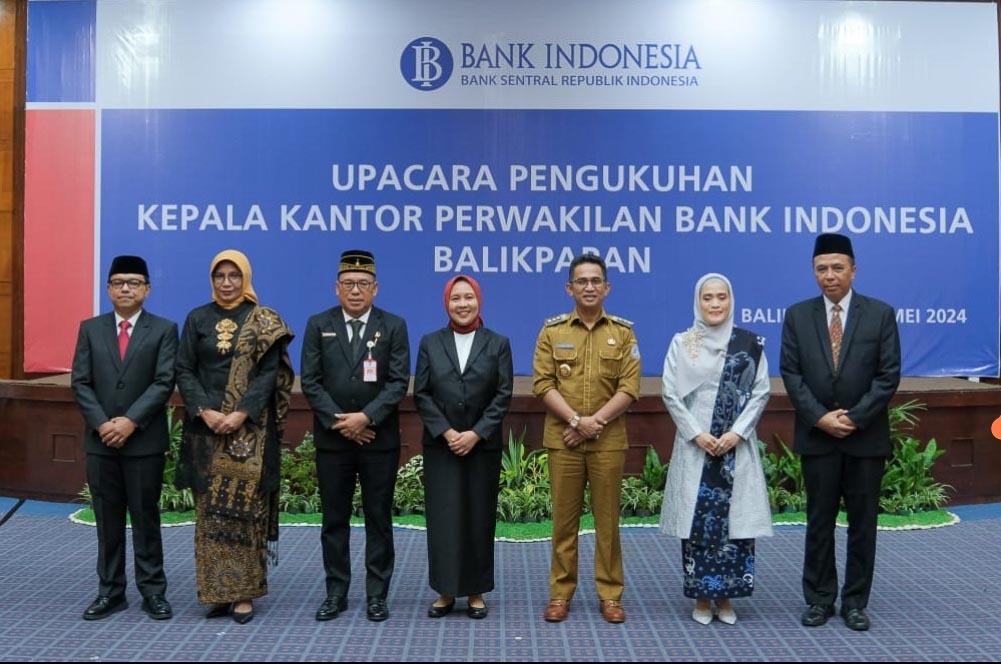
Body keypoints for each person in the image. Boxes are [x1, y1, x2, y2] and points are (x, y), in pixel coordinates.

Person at [780, 233, 901, 632]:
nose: (829, 275)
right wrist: (820, 418)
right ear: (813, 271)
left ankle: (855, 602)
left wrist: (853, 418)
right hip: (818, 437)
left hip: (865, 438)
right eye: (821, 269)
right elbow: (791, 374)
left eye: (837, 268)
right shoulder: (798, 315)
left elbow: (888, 375)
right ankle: (819, 599)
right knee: (819, 522)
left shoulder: (880, 314)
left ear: (853, 270)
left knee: (863, 524)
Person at [174, 249, 294, 625]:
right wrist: (205, 411)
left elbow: (269, 374)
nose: (227, 283)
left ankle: (244, 594)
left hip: (249, 434)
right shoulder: (197, 318)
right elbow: (184, 368)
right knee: (210, 514)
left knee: (245, 514)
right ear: (212, 280)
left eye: (234, 276)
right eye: (220, 276)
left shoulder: (263, 319)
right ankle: (217, 592)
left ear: (246, 278)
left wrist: (241, 413)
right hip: (205, 430)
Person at [300, 250, 410, 623]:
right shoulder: (319, 324)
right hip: (333, 442)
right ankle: (336, 593)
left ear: (375, 288)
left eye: (363, 283)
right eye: (348, 283)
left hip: (378, 440)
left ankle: (377, 595)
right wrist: (342, 423)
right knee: (334, 520)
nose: (356, 290)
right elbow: (311, 381)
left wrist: (365, 418)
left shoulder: (393, 326)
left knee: (378, 518)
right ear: (337, 288)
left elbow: (397, 382)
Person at [532, 253, 640, 624]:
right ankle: (560, 594)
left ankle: (610, 595)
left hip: (608, 442)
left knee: (608, 523)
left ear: (607, 287)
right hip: (563, 440)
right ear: (569, 288)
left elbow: (629, 387)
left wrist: (595, 423)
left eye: (596, 281)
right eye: (582, 281)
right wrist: (578, 421)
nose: (589, 287)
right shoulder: (552, 331)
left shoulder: (623, 333)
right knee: (564, 523)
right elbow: (542, 384)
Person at [659, 273, 772, 626]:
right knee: (699, 522)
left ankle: (726, 597)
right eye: (707, 297)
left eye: (721, 297)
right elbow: (670, 393)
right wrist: (696, 434)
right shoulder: (683, 342)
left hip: (736, 447)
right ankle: (701, 597)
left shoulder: (750, 344)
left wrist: (738, 432)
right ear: (698, 301)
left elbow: (761, 392)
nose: (715, 304)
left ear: (731, 300)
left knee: (735, 524)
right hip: (697, 447)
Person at [71, 255, 178, 621]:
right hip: (100, 442)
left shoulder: (163, 329)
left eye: (134, 283)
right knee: (108, 521)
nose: (126, 289)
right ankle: (110, 591)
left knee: (146, 519)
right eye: (119, 283)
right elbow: (80, 382)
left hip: (143, 442)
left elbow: (164, 382)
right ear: (108, 289)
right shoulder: (90, 329)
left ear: (147, 289)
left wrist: (130, 421)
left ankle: (153, 591)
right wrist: (103, 424)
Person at [414, 275, 513, 620]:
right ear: (447, 303)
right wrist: (446, 432)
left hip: (481, 447)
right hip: (441, 447)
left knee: (477, 518)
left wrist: (475, 433)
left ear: (478, 301)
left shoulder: (498, 343)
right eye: (455, 298)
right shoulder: (430, 342)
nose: (462, 304)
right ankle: (445, 591)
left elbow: (502, 395)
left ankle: (475, 591)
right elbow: (422, 393)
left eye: (468, 297)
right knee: (444, 520)